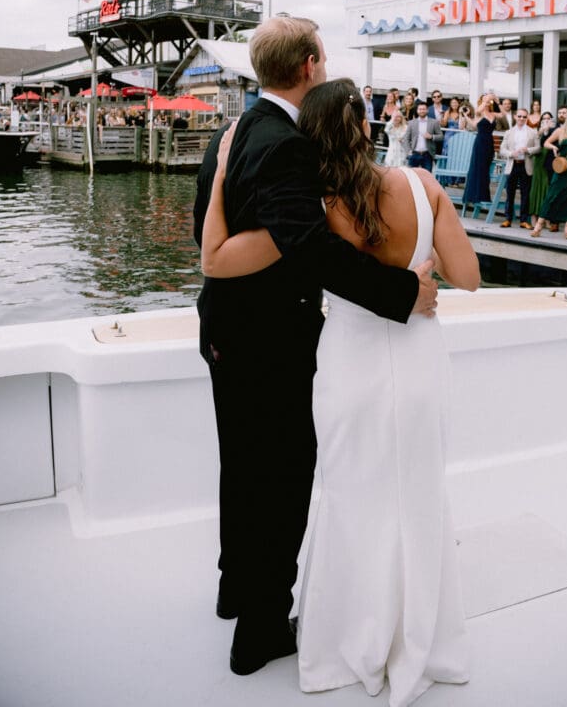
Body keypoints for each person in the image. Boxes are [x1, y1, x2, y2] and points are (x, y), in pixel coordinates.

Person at [202, 76, 479, 706]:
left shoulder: (319, 208)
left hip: (348, 368)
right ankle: (420, 634)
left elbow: (219, 259)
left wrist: (221, 179)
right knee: (418, 491)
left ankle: (351, 632)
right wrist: (423, 265)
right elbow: (469, 277)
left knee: (351, 496)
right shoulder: (423, 185)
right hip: (420, 364)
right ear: (365, 125)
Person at [531, 107, 567, 239]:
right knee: (551, 195)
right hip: (561, 168)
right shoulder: (560, 131)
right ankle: (538, 226)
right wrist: (554, 147)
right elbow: (546, 143)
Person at [498, 108, 540, 228]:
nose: (522, 119)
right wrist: (511, 154)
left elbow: (538, 148)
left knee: (525, 194)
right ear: (515, 117)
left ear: (527, 118)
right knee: (510, 193)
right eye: (520, 116)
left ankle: (524, 220)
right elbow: (502, 149)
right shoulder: (509, 132)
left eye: (524, 117)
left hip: (526, 165)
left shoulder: (533, 132)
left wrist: (528, 150)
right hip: (512, 165)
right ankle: (508, 218)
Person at [462, 93, 500, 208]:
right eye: (485, 100)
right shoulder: (479, 113)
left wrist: (494, 99)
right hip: (480, 142)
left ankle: (483, 195)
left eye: (489, 101)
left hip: (490, 142)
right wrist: (466, 116)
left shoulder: (492, 113)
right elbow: (474, 125)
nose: (487, 102)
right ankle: (474, 196)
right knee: (477, 167)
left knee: (485, 169)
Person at [529, 112, 556, 225]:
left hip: (549, 161)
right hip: (539, 160)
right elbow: (533, 143)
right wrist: (541, 131)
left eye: (548, 118)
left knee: (547, 188)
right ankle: (534, 216)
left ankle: (546, 218)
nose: (546, 121)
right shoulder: (536, 131)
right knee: (536, 188)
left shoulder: (555, 131)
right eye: (544, 119)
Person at [405, 101, 442, 171]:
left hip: (427, 154)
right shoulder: (411, 123)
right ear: (417, 110)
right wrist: (408, 151)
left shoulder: (434, 122)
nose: (422, 111)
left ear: (427, 110)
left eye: (424, 109)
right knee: (411, 176)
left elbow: (441, 136)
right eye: (420, 109)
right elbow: (406, 138)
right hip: (414, 154)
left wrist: (431, 136)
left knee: (427, 176)